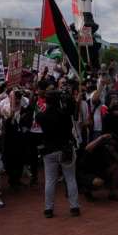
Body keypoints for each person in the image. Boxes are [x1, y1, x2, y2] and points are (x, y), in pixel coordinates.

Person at [36, 89, 80, 218]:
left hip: (49, 151)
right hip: (65, 149)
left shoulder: (41, 116)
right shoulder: (64, 114)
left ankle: (48, 209)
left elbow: (38, 115)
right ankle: (74, 207)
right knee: (70, 178)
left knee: (50, 180)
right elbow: (72, 111)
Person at [76, 133, 118, 202]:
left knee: (116, 167)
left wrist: (114, 153)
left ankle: (112, 193)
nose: (110, 145)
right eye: (109, 142)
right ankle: (87, 192)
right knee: (98, 182)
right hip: (86, 174)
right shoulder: (96, 146)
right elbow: (87, 148)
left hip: (99, 172)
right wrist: (101, 137)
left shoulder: (111, 150)